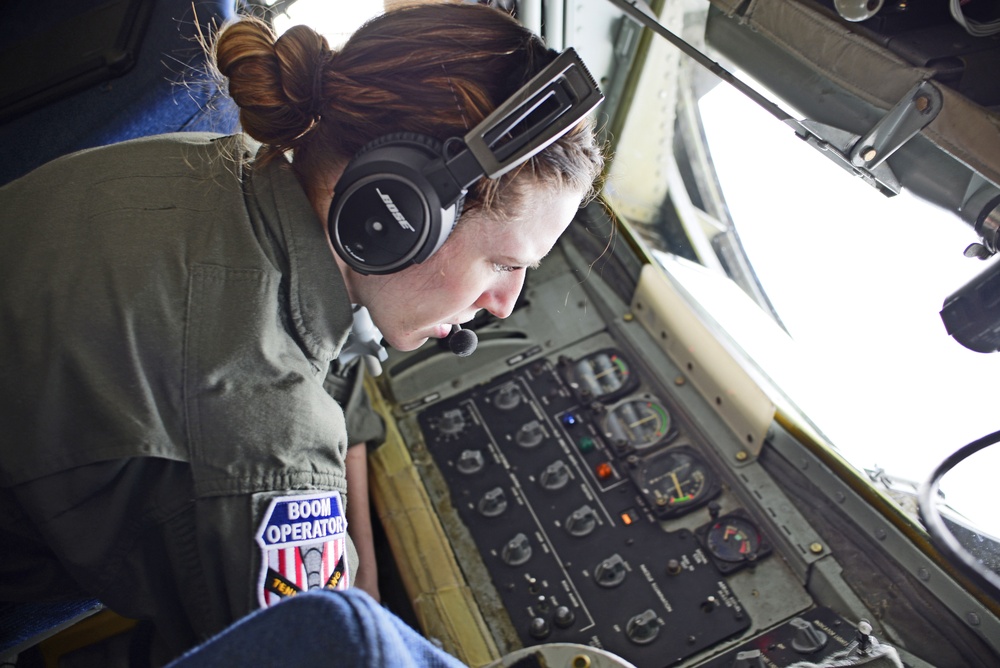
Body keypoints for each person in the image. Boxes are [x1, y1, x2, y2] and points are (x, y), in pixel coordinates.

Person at [0, 1, 604, 664]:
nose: (503, 302)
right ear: (399, 210)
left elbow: (323, 358)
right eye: (505, 263)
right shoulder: (264, 443)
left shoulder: (215, 168)